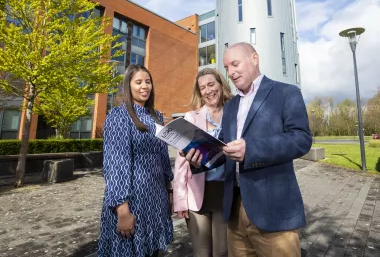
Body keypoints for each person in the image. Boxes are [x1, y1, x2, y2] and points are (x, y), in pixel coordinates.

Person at [184, 43, 312, 257]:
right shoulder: (232, 105)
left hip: (273, 212)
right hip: (234, 212)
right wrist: (198, 158)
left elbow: (301, 139)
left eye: (235, 64)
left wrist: (251, 149)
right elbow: (223, 149)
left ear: (255, 59)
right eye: (227, 67)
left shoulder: (286, 93)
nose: (231, 72)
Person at [98, 64, 174, 257]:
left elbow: (163, 157)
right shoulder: (119, 116)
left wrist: (170, 191)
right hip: (133, 202)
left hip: (156, 201)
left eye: (148, 82)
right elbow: (115, 164)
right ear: (128, 86)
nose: (144, 86)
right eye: (138, 82)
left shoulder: (156, 117)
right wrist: (122, 210)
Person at [173, 68, 233, 257]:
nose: (208, 91)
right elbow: (181, 167)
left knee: (222, 252)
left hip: (225, 193)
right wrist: (180, 201)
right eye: (202, 88)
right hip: (196, 194)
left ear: (221, 85)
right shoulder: (191, 118)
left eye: (211, 84)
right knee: (201, 252)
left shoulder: (234, 114)